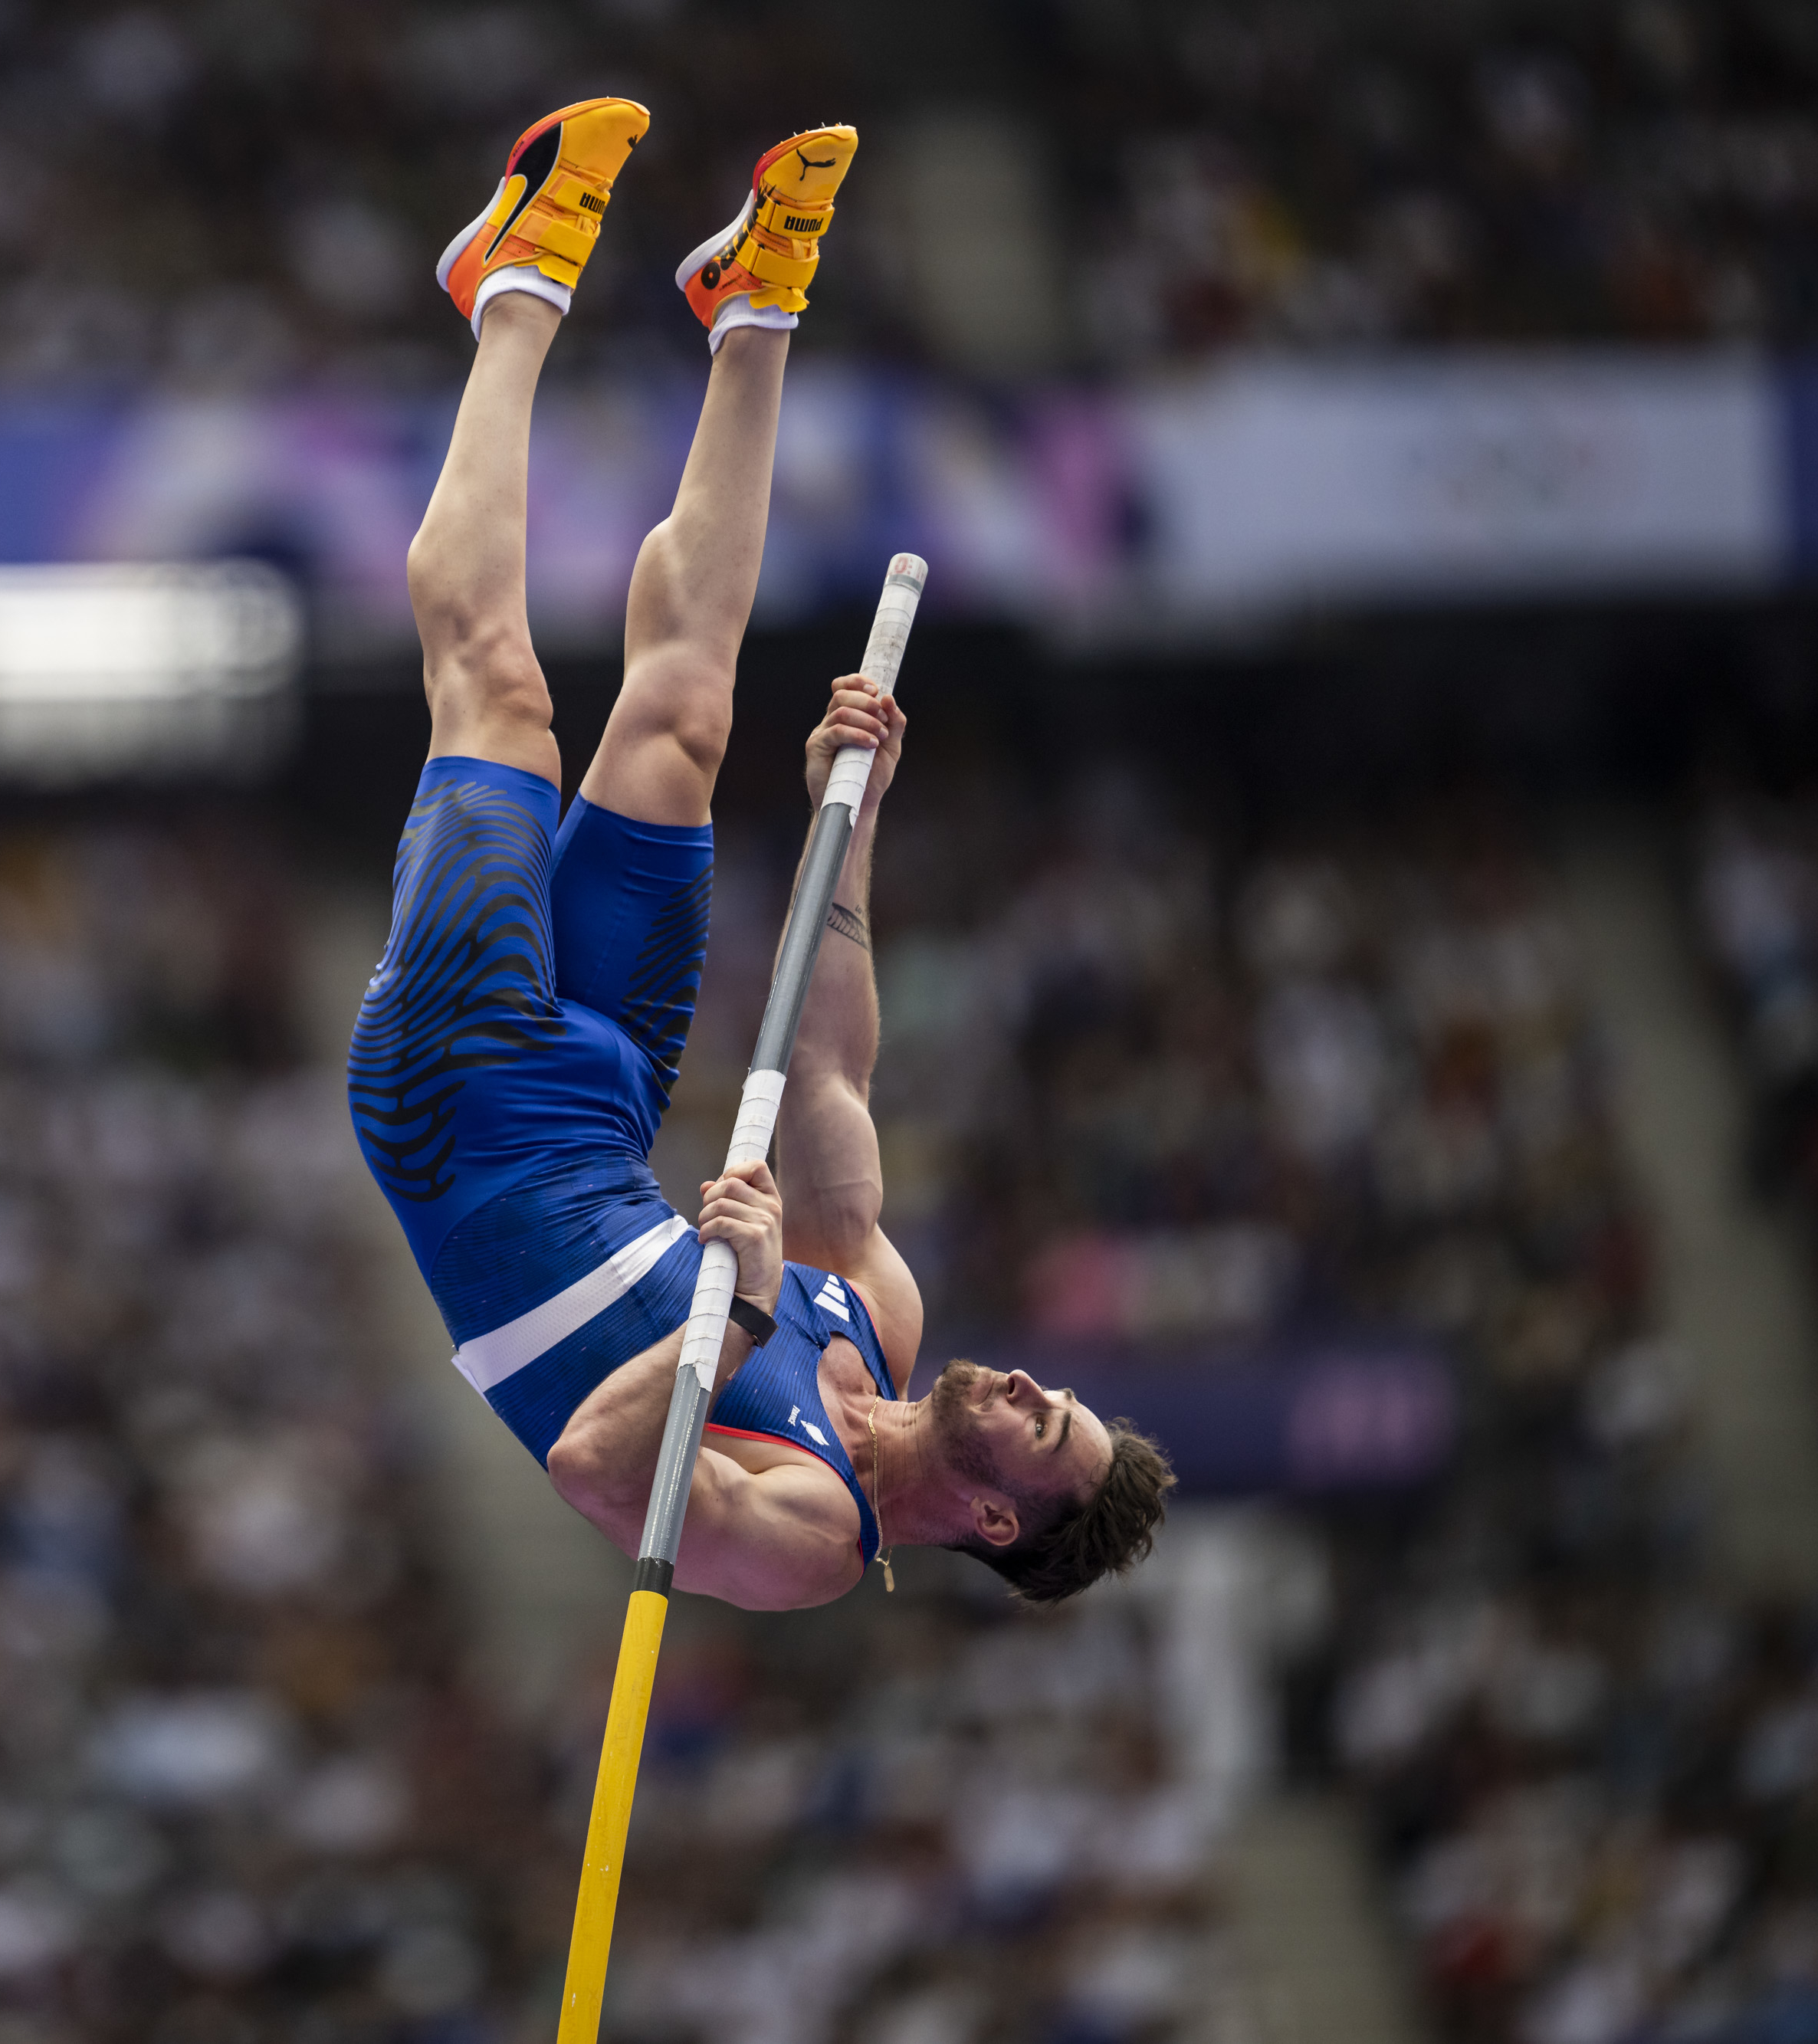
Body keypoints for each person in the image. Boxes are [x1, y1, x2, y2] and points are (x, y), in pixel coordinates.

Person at [349, 99, 1175, 1611]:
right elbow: (832, 1074)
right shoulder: (875, 1316)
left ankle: (509, 291)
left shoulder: (805, 1536)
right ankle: (753, 307)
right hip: (602, 1093)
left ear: (996, 1517)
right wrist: (842, 818)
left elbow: (598, 1475)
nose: (1018, 1375)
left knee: (502, 691)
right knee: (682, 713)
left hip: (459, 1125)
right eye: (1050, 1387)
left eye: (1035, 1417)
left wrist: (722, 1329)